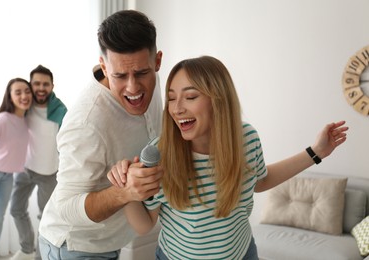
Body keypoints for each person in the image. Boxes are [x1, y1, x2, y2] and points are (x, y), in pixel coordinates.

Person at [108, 56, 349, 260]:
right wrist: (125, 188)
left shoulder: (247, 139)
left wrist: (316, 152)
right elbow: (144, 224)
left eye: (190, 97)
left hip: (242, 253)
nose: (176, 108)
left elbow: (259, 181)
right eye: (171, 97)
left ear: (218, 100)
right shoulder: (160, 154)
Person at [38, 10, 164, 259]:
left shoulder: (156, 82)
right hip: (74, 247)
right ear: (104, 68)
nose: (133, 88)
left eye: (141, 73)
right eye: (120, 76)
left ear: (157, 62)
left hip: (111, 241)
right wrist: (125, 192)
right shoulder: (85, 123)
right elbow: (65, 208)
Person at [9, 65, 67, 260]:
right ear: (30, 85)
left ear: (52, 86)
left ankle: (40, 257)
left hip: (49, 173)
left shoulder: (60, 111)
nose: (41, 88)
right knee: (16, 209)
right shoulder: (24, 105)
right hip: (24, 168)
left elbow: (69, 143)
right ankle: (27, 249)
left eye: (45, 84)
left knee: (47, 219)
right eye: (36, 84)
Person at [0, 78, 32, 260]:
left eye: (27, 91)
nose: (24, 95)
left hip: (7, 177)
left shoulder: (28, 120)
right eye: (18, 92)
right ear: (10, 97)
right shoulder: (3, 119)